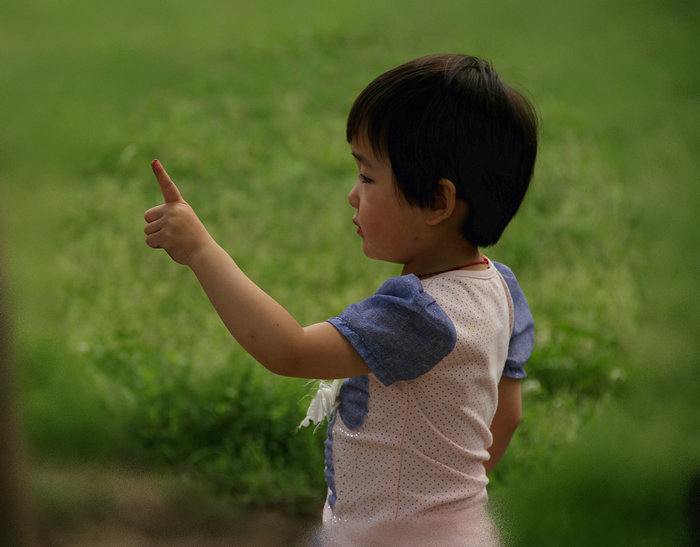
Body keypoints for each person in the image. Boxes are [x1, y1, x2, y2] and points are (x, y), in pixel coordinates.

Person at [144, 53, 537, 545]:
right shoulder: (502, 289)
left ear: (438, 202)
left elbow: (289, 350)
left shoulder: (420, 315)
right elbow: (508, 413)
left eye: (368, 177)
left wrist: (202, 250)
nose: (353, 195)